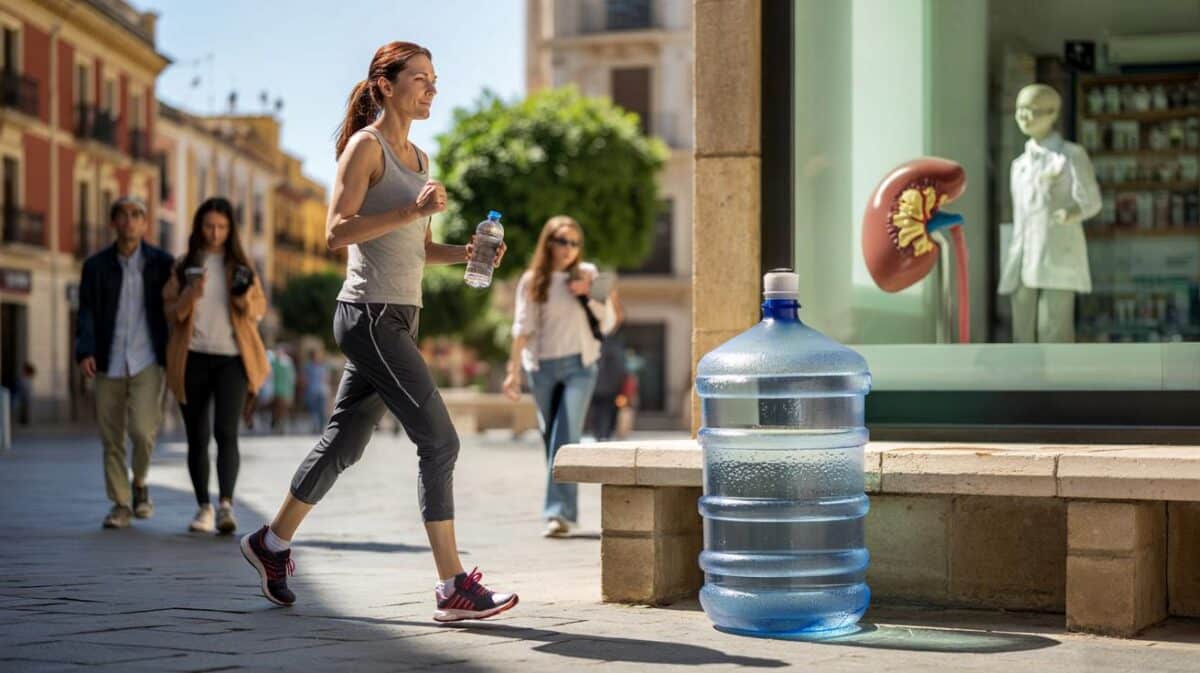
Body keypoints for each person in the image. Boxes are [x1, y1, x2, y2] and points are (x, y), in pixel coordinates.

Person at [239, 41, 516, 623]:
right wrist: (412, 212)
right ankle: (451, 586)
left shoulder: (419, 157)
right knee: (440, 440)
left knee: (345, 442)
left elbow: (413, 246)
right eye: (421, 78)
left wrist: (464, 252)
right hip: (369, 315)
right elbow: (337, 231)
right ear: (385, 85)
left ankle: (271, 544)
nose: (432, 88)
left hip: (399, 315)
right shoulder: (366, 148)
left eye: (435, 79)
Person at [503, 215, 619, 538]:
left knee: (565, 433)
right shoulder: (532, 280)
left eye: (574, 243)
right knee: (550, 438)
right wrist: (513, 372)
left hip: (580, 367)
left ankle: (559, 514)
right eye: (562, 241)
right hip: (542, 369)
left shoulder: (589, 274)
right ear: (549, 243)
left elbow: (607, 322)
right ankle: (561, 507)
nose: (569, 249)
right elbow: (521, 329)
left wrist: (588, 294)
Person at [163, 197, 269, 535]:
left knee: (227, 433)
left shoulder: (240, 266)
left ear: (229, 230)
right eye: (209, 226)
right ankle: (203, 508)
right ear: (199, 227)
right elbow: (170, 312)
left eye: (221, 227)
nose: (214, 232)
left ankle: (225, 505)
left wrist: (242, 294)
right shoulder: (183, 266)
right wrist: (190, 294)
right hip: (192, 356)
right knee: (197, 436)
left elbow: (258, 309)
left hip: (232, 360)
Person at [74, 196, 174, 529]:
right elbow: (86, 311)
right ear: (113, 222)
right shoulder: (95, 266)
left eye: (136, 215)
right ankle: (120, 504)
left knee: (143, 431)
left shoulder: (162, 263)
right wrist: (85, 350)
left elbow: (175, 307)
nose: (130, 221)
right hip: (108, 359)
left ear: (145, 223)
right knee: (111, 437)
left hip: (148, 360)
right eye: (123, 215)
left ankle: (141, 482)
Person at [999, 83, 1101, 343]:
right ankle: (1023, 383)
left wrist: (1069, 214)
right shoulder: (1019, 165)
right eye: (1019, 108)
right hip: (1022, 254)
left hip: (1057, 251)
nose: (1023, 115)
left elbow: (1091, 201)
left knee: (1054, 331)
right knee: (1021, 333)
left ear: (1052, 113)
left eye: (1031, 109)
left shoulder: (1070, 155)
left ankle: (1057, 383)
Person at [302, 348, 331, 433]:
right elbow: (304, 380)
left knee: (322, 411)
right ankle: (315, 427)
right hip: (312, 391)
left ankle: (321, 428)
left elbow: (326, 378)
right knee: (313, 411)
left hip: (322, 391)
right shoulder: (308, 367)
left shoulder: (323, 366)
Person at [270, 345, 296, 432]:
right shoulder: (274, 362)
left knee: (283, 409)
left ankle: (280, 426)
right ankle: (277, 425)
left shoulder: (287, 362)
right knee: (277, 409)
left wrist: (291, 392)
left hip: (285, 390)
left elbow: (291, 378)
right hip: (276, 390)